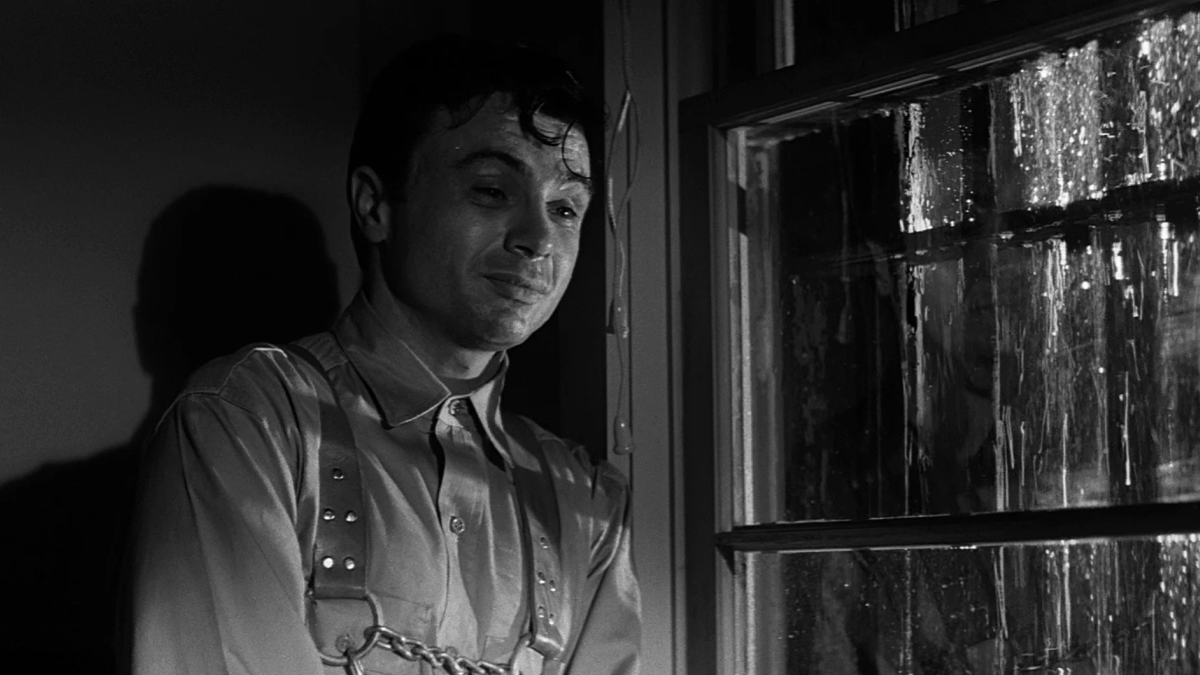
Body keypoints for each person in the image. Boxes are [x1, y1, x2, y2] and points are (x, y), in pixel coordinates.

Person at [130, 36, 641, 675]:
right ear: (375, 206)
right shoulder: (251, 420)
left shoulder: (586, 500)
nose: (538, 238)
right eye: (491, 190)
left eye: (566, 208)